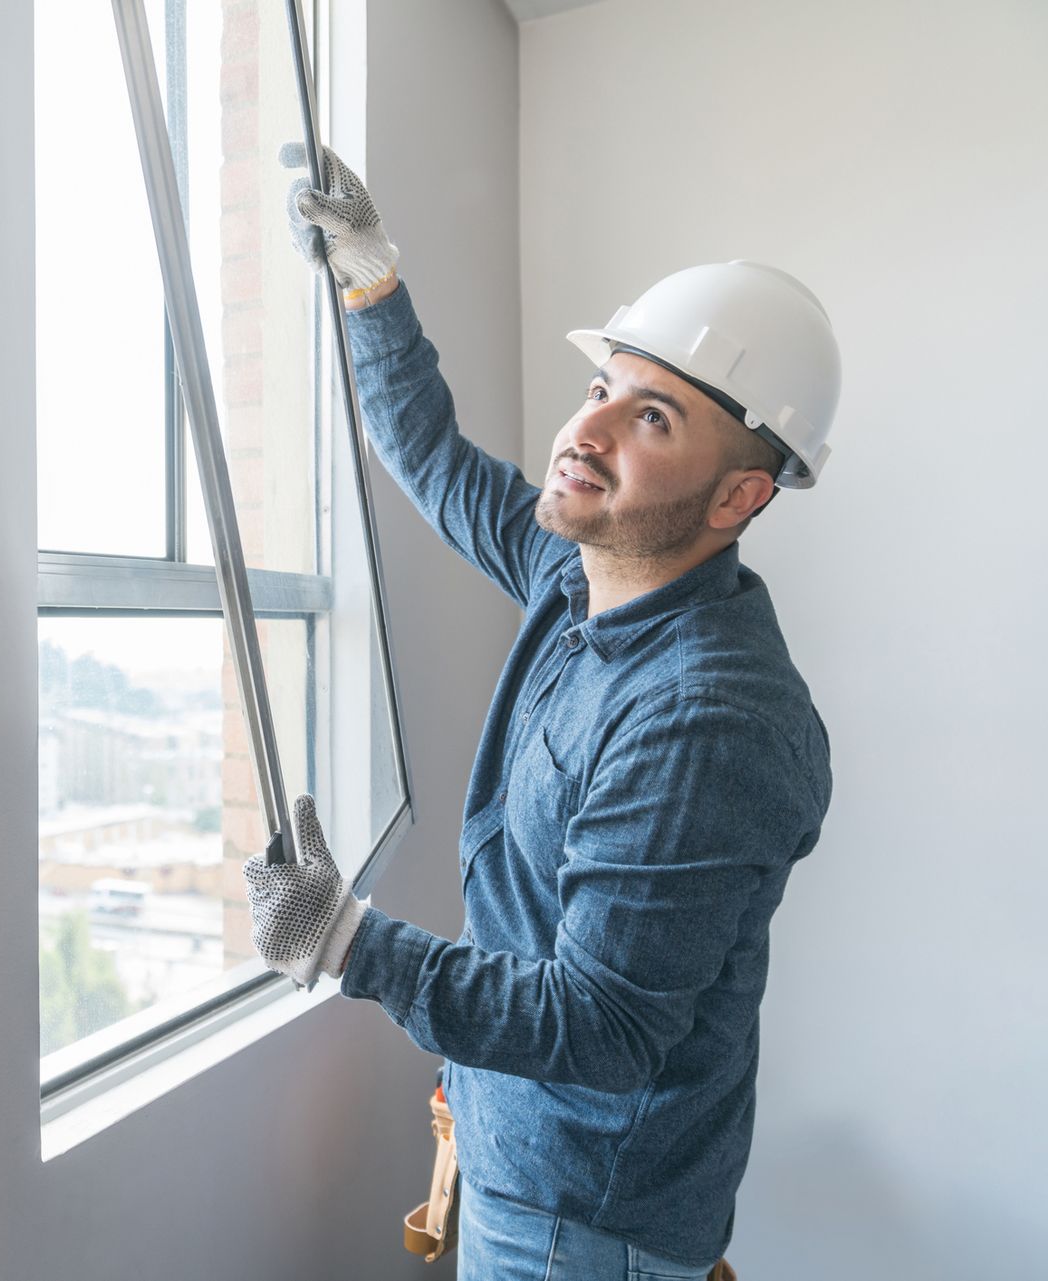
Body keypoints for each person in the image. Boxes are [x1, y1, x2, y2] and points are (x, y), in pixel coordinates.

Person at [242, 146, 838, 1280]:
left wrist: (346, 940)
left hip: (583, 1223)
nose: (588, 434)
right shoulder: (586, 573)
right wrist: (370, 278)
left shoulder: (706, 722)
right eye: (602, 389)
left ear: (740, 494)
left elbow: (601, 1026)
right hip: (524, 1150)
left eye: (652, 418)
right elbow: (433, 458)